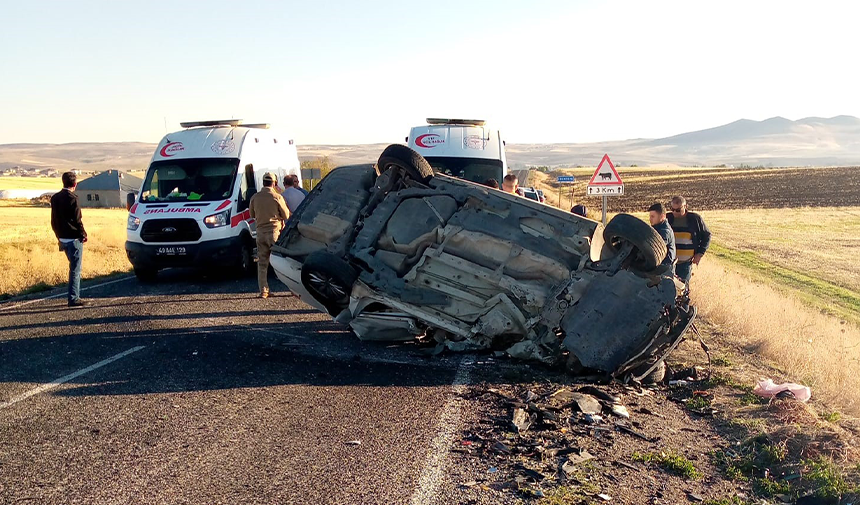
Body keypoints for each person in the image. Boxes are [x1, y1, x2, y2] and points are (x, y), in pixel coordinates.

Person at [249, 173, 290, 298]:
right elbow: (286, 215)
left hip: (260, 233)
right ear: (274, 183)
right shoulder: (277, 197)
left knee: (262, 263)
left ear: (263, 182)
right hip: (274, 233)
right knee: (281, 262)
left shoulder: (255, 197)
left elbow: (252, 214)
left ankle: (264, 291)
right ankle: (292, 289)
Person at [51, 172, 88, 307]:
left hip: (62, 238)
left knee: (72, 266)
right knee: (75, 269)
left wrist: (58, 236)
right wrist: (83, 234)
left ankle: (74, 296)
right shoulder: (73, 199)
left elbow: (53, 220)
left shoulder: (55, 198)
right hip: (74, 238)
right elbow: (78, 220)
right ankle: (73, 298)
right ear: (75, 184)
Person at [667, 196, 711, 285]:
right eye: (672, 209)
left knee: (682, 291)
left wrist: (699, 253)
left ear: (685, 206)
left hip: (685, 264)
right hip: (668, 264)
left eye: (678, 210)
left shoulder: (695, 219)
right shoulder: (667, 218)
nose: (675, 212)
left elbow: (707, 236)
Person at [648, 203, 676, 273]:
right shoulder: (656, 228)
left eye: (653, 216)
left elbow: (653, 248)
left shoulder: (665, 232)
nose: (650, 219)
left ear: (662, 216)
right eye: (650, 216)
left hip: (665, 270)